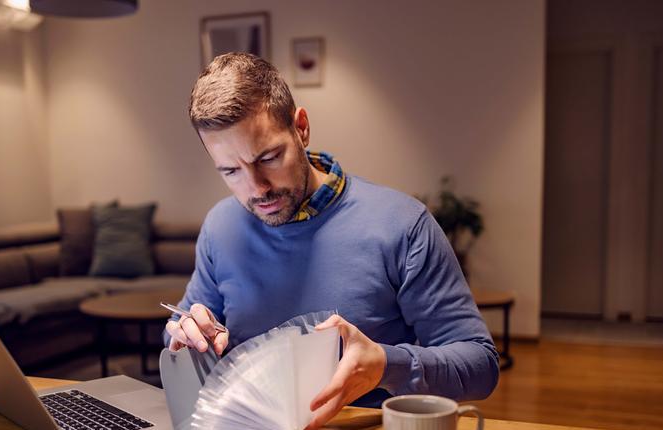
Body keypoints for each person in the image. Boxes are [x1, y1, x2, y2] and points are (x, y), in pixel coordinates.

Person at [164, 52, 499, 428]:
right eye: (230, 170)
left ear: (301, 128)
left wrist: (386, 364)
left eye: (269, 157)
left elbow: (480, 364)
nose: (256, 188)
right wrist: (184, 334)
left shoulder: (402, 225)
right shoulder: (219, 226)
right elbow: (183, 325)